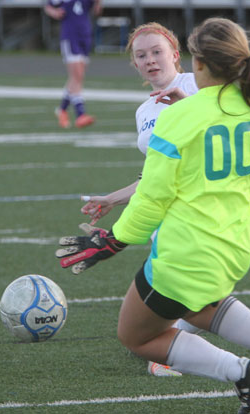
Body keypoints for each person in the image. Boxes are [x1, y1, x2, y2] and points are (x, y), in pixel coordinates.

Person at [56, 18, 250, 414]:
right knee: (198, 303)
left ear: (194, 63)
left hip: (186, 248)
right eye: (142, 55)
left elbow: (153, 197)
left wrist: (113, 240)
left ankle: (241, 371)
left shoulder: (175, 118)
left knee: (136, 335)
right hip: (235, 244)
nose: (151, 60)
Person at [80, 22, 200, 376]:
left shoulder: (197, 85)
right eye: (141, 55)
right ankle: (174, 340)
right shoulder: (144, 112)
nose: (150, 60)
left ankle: (174, 348)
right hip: (162, 209)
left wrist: (189, 106)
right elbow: (154, 173)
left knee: (183, 283)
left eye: (157, 51)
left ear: (175, 55)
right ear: (135, 65)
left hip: (198, 204)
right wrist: (113, 199)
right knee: (185, 287)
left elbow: (219, 128)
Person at [44, 0, 102, 128]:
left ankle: (62, 109)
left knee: (77, 77)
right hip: (70, 36)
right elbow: (48, 6)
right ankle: (80, 114)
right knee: (77, 76)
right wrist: (54, 12)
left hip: (85, 35)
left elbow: (96, 11)